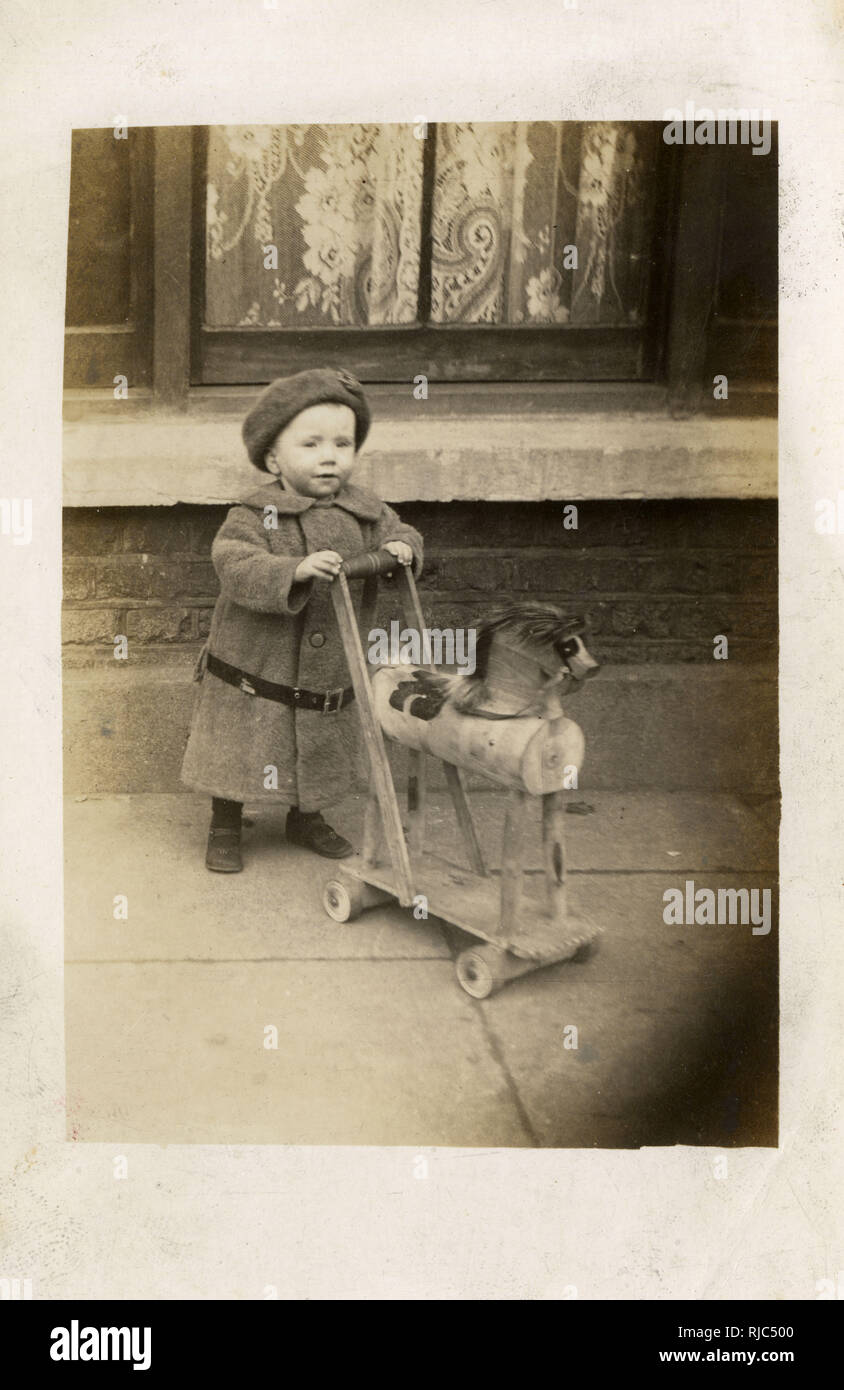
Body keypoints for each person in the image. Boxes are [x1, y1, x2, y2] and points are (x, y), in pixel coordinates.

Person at [180, 367, 423, 872]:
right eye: (311, 444)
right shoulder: (257, 513)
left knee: (318, 734)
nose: (330, 456)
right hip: (255, 658)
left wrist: (403, 547)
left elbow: (402, 532)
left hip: (329, 657)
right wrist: (293, 570)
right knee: (240, 741)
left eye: (343, 443)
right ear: (273, 456)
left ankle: (306, 815)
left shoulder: (367, 512)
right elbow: (234, 562)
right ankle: (226, 820)